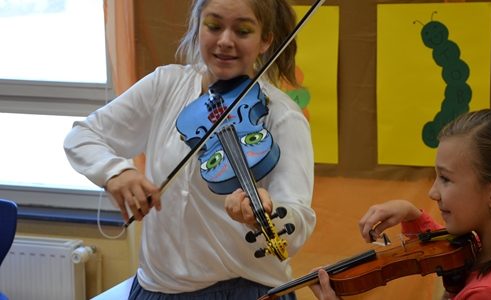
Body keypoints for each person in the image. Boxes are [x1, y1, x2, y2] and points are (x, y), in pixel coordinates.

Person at [64, 0, 315, 299]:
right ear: (198, 28)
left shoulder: (280, 115)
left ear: (265, 41)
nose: (225, 41)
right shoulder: (166, 85)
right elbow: (82, 136)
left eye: (243, 31)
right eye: (214, 26)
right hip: (155, 288)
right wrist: (116, 172)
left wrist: (265, 213)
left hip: (244, 289)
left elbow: (297, 218)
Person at [310, 109, 491, 300]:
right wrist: (411, 215)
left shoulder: (489, 294)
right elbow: (450, 251)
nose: (432, 192)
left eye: (445, 179)